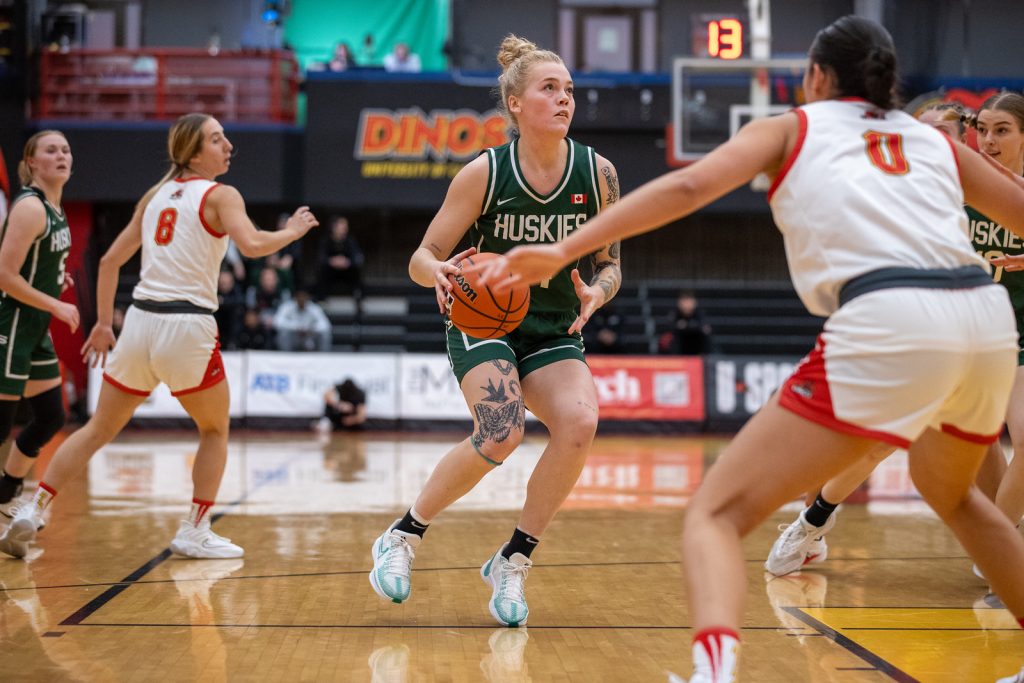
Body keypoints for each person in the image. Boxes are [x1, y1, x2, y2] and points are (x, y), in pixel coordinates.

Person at [476, 17, 1024, 681]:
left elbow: (685, 188)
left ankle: (714, 672)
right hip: (987, 319)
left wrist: (562, 250)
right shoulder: (931, 140)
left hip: (893, 313)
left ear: (817, 77)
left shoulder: (794, 126)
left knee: (714, 513)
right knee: (961, 499)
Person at [368, 35, 622, 628]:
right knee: (503, 431)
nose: (565, 100)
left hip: (553, 326)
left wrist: (596, 290)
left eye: (570, 91)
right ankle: (402, 537)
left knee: (581, 422)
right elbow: (422, 255)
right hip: (484, 318)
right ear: (515, 103)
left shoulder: (598, 172)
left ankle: (513, 558)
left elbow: (610, 262)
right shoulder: (483, 173)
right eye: (550, 89)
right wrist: (439, 271)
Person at [0, 113, 319, 560]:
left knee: (96, 430)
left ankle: (33, 507)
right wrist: (293, 230)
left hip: (139, 324)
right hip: (187, 327)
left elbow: (109, 262)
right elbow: (252, 245)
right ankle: (195, 528)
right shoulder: (221, 195)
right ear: (192, 153)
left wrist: (103, 325)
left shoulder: (155, 196)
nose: (228, 145)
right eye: (216, 139)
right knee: (214, 428)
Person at [763, 97, 1024, 578]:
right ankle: (812, 521)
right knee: (877, 440)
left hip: (998, 340)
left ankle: (1004, 556)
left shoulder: (983, 187)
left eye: (948, 134)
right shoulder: (909, 194)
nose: (985, 141)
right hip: (933, 338)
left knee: (999, 470)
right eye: (925, 134)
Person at [0, 131, 80, 521]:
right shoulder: (30, 207)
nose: (61, 155)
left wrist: (53, 280)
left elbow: (35, 264)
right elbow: (4, 275)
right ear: (32, 162)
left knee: (51, 415)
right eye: (51, 150)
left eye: (65, 149)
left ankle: (5, 493)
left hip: (34, 325)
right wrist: (57, 305)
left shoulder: (55, 207)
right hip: (10, 321)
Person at [316, 215, 364, 301]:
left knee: (356, 270)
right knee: (322, 270)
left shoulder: (350, 240)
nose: (345, 228)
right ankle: (321, 299)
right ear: (334, 227)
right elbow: (321, 257)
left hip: (347, 271)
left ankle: (358, 297)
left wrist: (347, 262)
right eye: (342, 226)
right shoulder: (326, 240)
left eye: (346, 226)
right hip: (331, 271)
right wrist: (332, 261)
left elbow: (358, 256)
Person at [665, 290, 712, 355]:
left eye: (689, 302)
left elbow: (705, 327)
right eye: (684, 302)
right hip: (680, 346)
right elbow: (670, 327)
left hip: (696, 344)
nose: (687, 305)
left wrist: (688, 326)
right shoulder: (675, 313)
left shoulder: (699, 313)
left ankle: (704, 358)